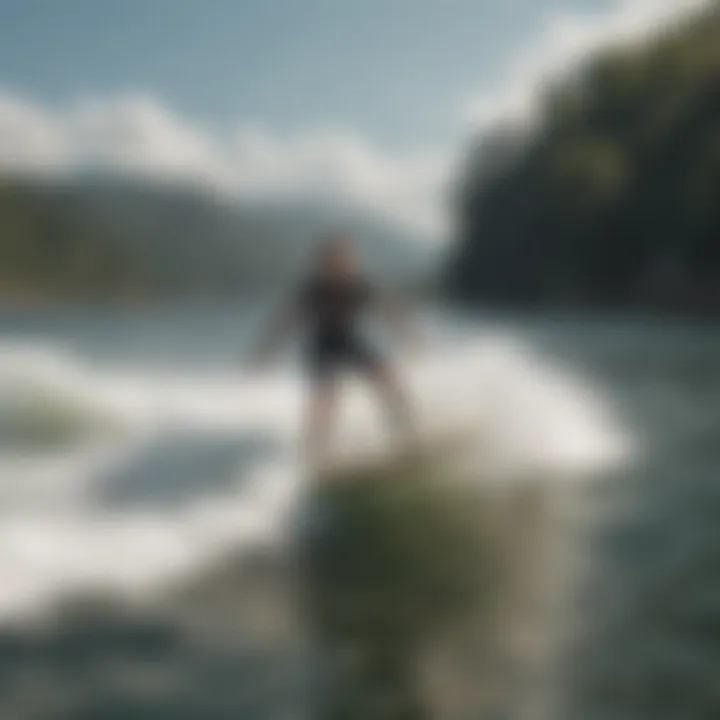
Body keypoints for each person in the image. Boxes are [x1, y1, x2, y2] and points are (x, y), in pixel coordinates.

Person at [251, 232, 417, 468]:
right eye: (331, 261)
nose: (338, 267)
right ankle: (316, 452)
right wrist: (264, 353)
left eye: (343, 261)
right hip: (322, 346)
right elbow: (287, 322)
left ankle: (407, 438)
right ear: (322, 264)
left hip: (350, 340)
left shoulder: (360, 286)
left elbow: (389, 311)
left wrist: (409, 336)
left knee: (388, 380)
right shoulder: (313, 290)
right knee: (327, 398)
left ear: (350, 262)